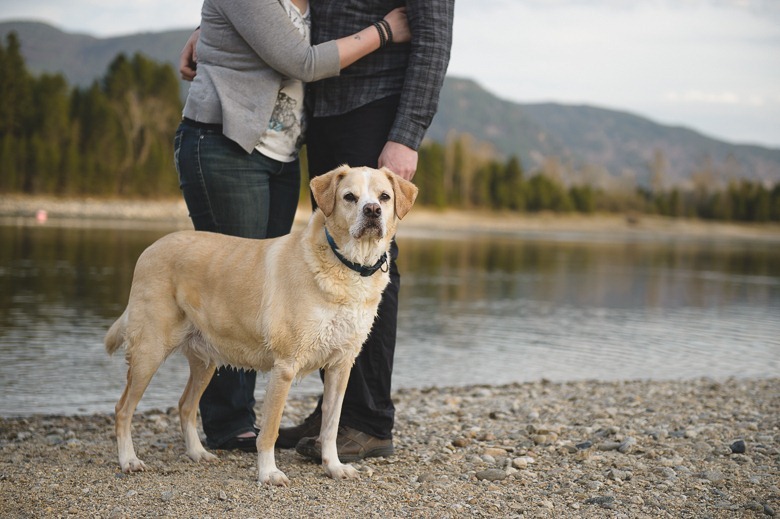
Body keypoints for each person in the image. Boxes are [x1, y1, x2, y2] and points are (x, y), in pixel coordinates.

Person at [181, 0, 454, 460]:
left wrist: (407, 132)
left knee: (372, 259)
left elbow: (434, 39)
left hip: (373, 107)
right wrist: (210, 31)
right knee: (308, 266)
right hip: (322, 116)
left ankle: (366, 421)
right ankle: (323, 416)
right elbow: (277, 19)